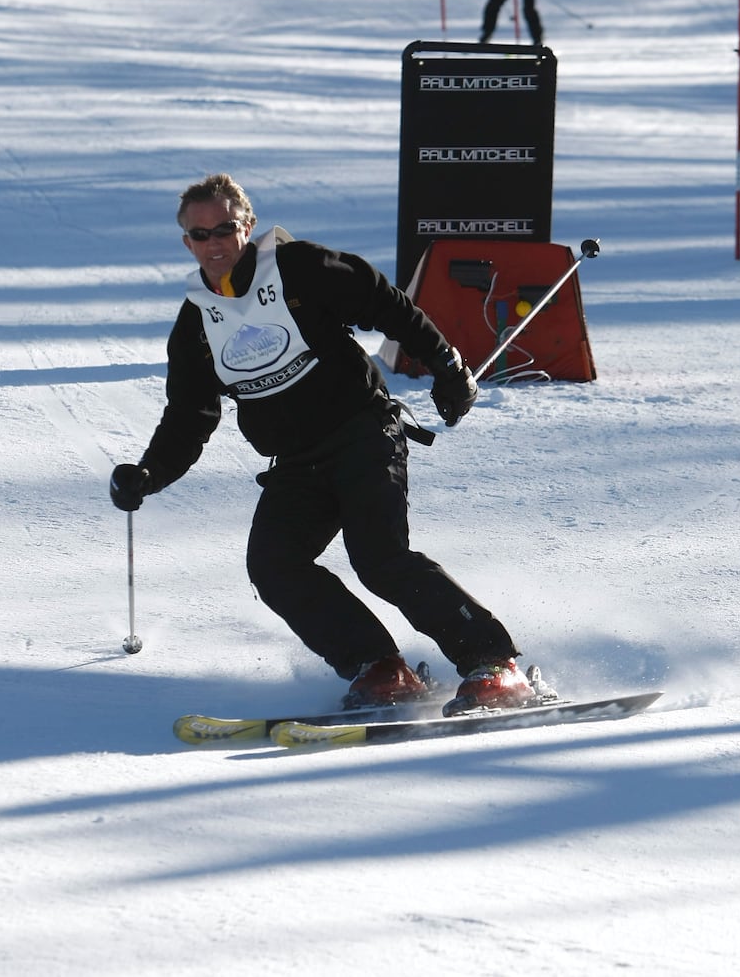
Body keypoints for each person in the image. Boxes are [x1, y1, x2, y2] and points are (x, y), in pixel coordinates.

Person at [109, 173, 535, 712]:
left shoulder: (298, 268)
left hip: (363, 433)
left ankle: (494, 665)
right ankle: (381, 668)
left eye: (225, 229)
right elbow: (190, 416)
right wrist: (149, 474)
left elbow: (386, 304)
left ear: (248, 227)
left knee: (379, 558)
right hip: (296, 463)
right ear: (186, 242)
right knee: (275, 565)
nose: (214, 243)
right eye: (200, 235)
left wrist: (446, 364)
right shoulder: (197, 322)